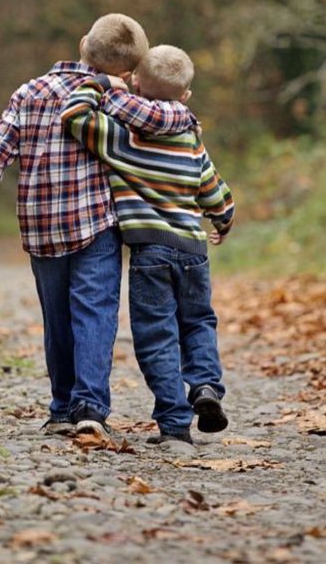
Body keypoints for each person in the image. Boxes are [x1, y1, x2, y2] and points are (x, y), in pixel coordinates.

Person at [0, 16, 196, 438]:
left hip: (41, 227)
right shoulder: (113, 98)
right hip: (96, 224)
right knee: (95, 313)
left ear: (83, 42)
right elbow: (159, 133)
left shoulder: (28, 92)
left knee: (57, 318)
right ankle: (90, 406)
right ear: (127, 71)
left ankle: (62, 406)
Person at [61, 45, 235, 445]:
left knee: (157, 335)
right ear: (185, 95)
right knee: (198, 322)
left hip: (149, 252)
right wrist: (224, 219)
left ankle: (175, 424)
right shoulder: (192, 136)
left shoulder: (124, 138)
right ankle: (206, 386)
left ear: (136, 82)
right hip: (193, 250)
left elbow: (74, 116)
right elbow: (213, 190)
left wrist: (101, 83)